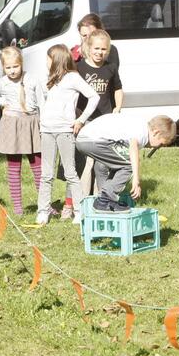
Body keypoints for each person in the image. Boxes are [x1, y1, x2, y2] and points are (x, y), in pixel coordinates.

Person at [62, 29, 125, 216]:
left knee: (102, 163)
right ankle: (77, 203)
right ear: (88, 48)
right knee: (82, 163)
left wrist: (117, 108)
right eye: (96, 48)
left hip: (103, 122)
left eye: (104, 49)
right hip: (83, 121)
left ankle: (101, 199)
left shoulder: (111, 68)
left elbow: (118, 89)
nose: (100, 52)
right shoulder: (79, 68)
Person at [36, 44, 98, 225]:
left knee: (71, 172)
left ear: (56, 59)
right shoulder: (47, 79)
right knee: (46, 174)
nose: (46, 62)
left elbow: (94, 97)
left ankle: (79, 211)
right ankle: (43, 210)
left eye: (48, 58)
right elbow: (42, 103)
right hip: (47, 130)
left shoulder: (73, 78)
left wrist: (81, 120)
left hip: (65, 131)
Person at [0, 46, 45, 215]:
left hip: (31, 122)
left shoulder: (32, 79)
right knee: (14, 167)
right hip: (12, 124)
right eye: (8, 68)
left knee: (38, 166)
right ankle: (17, 208)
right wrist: (1, 102)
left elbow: (42, 103)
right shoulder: (2, 82)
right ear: (3, 67)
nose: (12, 71)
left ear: (21, 63)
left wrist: (43, 124)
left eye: (15, 66)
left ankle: (44, 205)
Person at [76, 114, 176, 212]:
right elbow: (133, 150)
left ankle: (104, 198)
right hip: (91, 140)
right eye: (161, 143)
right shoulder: (143, 132)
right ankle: (104, 200)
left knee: (109, 164)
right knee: (129, 164)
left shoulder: (140, 125)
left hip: (85, 139)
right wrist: (136, 180)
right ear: (156, 132)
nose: (158, 147)